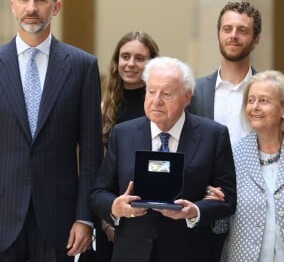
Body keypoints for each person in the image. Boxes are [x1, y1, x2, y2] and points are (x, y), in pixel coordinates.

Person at [0, 0, 103, 261]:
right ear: (13, 6)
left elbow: (92, 151)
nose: (31, 8)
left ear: (56, 7)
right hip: (4, 217)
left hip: (60, 220)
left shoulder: (83, 66)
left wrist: (85, 218)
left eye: (41, 0)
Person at [90, 56, 236, 262]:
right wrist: (115, 206)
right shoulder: (123, 134)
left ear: (187, 97)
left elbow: (228, 199)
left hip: (189, 252)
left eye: (166, 93)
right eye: (151, 91)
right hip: (133, 252)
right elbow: (98, 192)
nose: (156, 100)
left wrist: (194, 211)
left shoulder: (213, 135)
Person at [187, 1, 262, 261]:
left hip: (257, 211)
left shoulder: (268, 93)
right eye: (227, 28)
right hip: (207, 211)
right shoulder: (195, 92)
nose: (233, 35)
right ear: (218, 34)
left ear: (255, 39)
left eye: (242, 30)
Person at [218, 70, 284, 261]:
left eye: (263, 101)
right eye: (251, 100)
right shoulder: (233, 154)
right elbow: (221, 224)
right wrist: (214, 202)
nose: (254, 107)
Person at [98, 31, 159, 262]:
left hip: (152, 218)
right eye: (125, 57)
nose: (131, 64)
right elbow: (96, 168)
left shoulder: (161, 108)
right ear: (116, 62)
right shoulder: (103, 107)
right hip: (110, 215)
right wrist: (108, 217)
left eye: (139, 58)